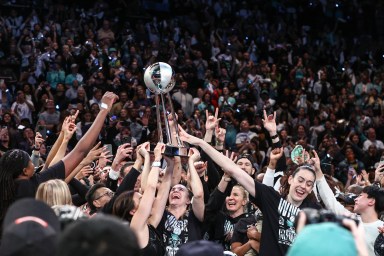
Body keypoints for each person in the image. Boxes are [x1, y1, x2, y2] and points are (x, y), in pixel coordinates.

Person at [177, 114, 321, 256]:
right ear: (290, 180)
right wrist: (202, 143)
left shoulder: (314, 212)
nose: (303, 186)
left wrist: (319, 172)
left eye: (309, 184)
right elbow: (233, 169)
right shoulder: (271, 199)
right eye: (300, 180)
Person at [0, 91, 118, 233]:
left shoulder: (7, 188)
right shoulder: (34, 184)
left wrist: (64, 137)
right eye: (30, 162)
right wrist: (103, 110)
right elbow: (80, 151)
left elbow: (51, 163)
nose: (34, 164)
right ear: (25, 171)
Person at [113, 142, 173, 255]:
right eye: (141, 199)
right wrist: (157, 159)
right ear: (132, 211)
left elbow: (162, 196)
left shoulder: (149, 225)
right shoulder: (135, 227)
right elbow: (150, 188)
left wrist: (170, 166)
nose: (148, 200)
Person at [315, 160, 384, 255]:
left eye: (360, 196)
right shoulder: (351, 219)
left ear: (371, 201)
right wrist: (318, 171)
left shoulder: (381, 228)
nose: (356, 199)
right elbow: (330, 201)